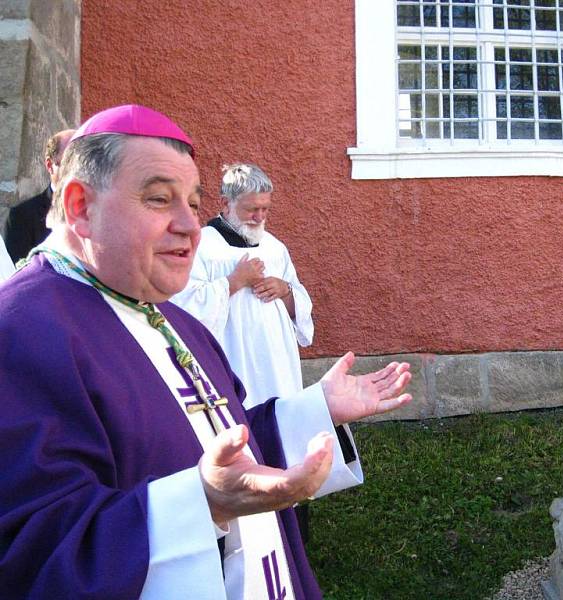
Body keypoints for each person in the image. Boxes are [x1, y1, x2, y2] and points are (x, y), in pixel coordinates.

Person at [0, 105, 412, 599]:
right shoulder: (21, 331)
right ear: (81, 206)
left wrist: (313, 412)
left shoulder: (175, 321)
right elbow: (31, 554)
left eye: (193, 204)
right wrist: (202, 504)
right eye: (159, 199)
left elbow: (223, 443)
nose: (190, 226)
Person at [173, 163, 313, 408]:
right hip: (232, 356)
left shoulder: (274, 247)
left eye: (265, 209)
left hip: (276, 360)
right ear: (225, 203)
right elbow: (183, 306)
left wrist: (285, 290)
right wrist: (234, 282)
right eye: (251, 209)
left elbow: (299, 307)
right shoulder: (202, 246)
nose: (259, 217)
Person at [4, 128, 75, 262]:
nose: (77, 171)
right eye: (69, 163)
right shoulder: (22, 216)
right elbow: (19, 278)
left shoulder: (97, 213)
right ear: (49, 165)